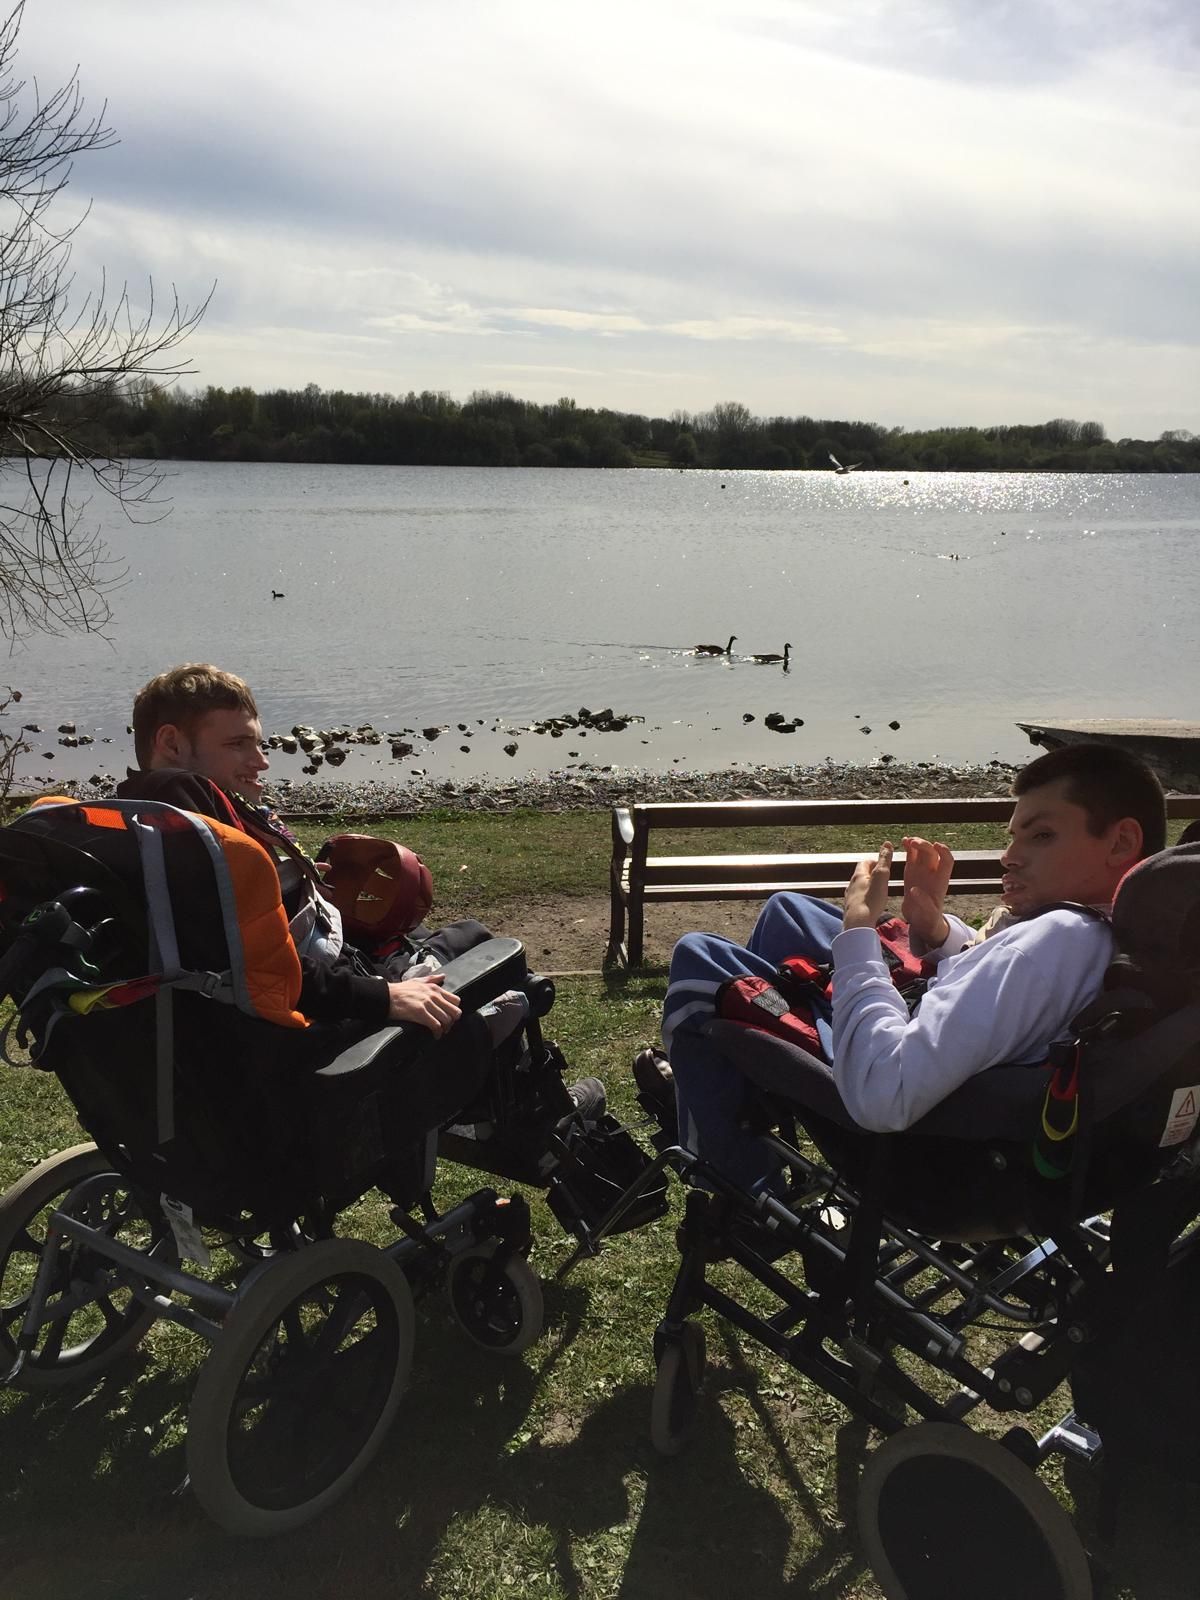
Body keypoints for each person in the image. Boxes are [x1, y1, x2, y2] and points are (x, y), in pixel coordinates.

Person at [645, 745, 1167, 1189]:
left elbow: (885, 1091)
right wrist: (936, 930)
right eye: (1013, 837)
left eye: (1041, 836)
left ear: (1121, 842)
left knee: (699, 959)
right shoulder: (1125, 931)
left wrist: (857, 933)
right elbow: (1004, 992)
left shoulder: (1053, 941)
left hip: (901, 1106)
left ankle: (730, 1175)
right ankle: (738, 1088)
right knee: (789, 912)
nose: (1009, 856)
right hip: (957, 1062)